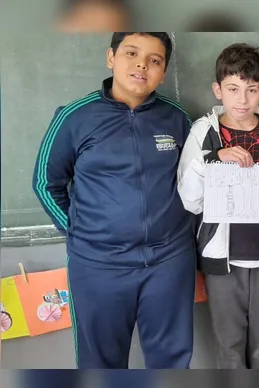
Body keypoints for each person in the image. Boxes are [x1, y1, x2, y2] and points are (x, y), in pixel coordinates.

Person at [32, 32, 195, 369]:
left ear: (163, 72)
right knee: (100, 365)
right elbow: (46, 184)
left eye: (155, 60)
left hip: (169, 261)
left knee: (172, 361)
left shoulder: (178, 118)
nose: (142, 65)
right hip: (98, 266)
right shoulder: (75, 117)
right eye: (131, 53)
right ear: (111, 58)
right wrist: (81, 234)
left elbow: (199, 180)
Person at [177, 43, 259, 369]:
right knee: (230, 344)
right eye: (233, 89)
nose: (242, 100)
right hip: (221, 254)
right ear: (218, 89)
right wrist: (214, 158)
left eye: (251, 90)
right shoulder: (204, 132)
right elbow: (188, 199)